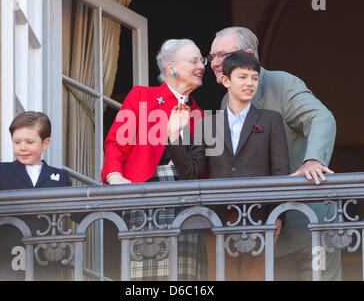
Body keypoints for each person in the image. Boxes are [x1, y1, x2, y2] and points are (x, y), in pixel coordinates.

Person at [208, 26, 339, 280]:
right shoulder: (226, 101)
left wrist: (312, 160)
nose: (214, 63)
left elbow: (322, 118)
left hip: (308, 226)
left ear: (248, 54)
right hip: (265, 234)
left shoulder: (281, 83)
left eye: (221, 55)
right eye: (211, 56)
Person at [167, 51, 289, 280]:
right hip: (218, 219)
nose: (250, 83)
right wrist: (173, 138)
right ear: (226, 81)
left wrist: (278, 216)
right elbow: (191, 174)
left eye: (254, 78)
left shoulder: (271, 119)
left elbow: (280, 171)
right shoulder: (208, 123)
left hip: (260, 217)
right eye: (243, 77)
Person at [101, 39, 207, 280]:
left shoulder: (200, 114)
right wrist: (115, 177)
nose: (201, 65)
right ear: (171, 67)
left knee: (184, 278)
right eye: (194, 60)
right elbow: (117, 142)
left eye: (202, 60)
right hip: (144, 195)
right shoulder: (142, 97)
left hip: (186, 201)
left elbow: (197, 170)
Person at [0, 111, 72, 280]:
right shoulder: (2, 171)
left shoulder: (59, 176)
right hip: (13, 255)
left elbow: (78, 211)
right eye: (17, 142)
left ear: (45, 143)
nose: (22, 148)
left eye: (29, 142)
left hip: (49, 255)